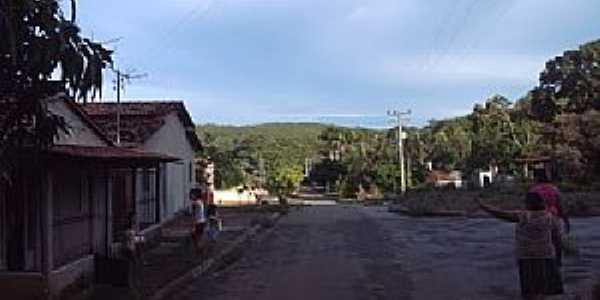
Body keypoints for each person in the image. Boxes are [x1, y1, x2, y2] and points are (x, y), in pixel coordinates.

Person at [477, 192, 565, 300]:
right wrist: (559, 258)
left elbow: (500, 214)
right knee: (544, 291)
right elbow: (557, 240)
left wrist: (483, 206)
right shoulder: (550, 218)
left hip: (525, 256)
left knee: (528, 291)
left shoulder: (522, 216)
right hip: (545, 256)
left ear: (527, 204)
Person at [529, 168, 571, 266]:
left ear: (536, 178)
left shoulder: (533, 190)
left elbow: (528, 207)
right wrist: (566, 221)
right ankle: (558, 261)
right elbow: (560, 206)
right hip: (553, 218)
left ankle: (542, 262)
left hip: (538, 218)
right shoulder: (553, 189)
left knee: (540, 242)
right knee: (556, 241)